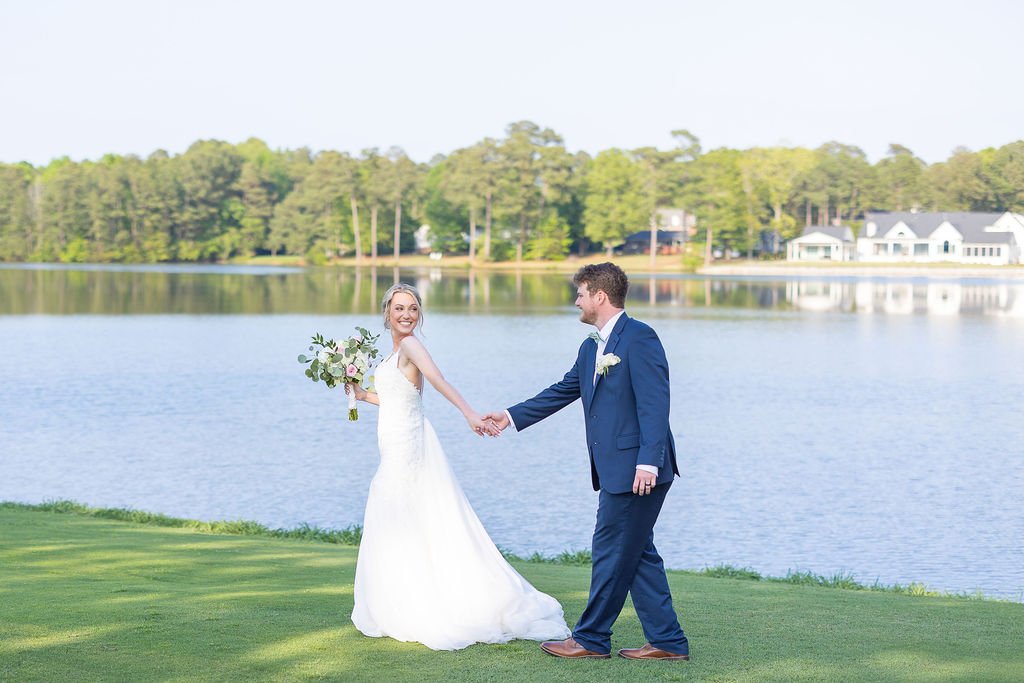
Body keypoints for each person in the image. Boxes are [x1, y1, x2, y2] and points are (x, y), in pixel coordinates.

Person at [345, 283, 570, 651]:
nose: (406, 315)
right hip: (396, 443)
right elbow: (394, 400)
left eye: (413, 309)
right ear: (386, 313)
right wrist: (359, 393)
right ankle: (402, 598)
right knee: (402, 516)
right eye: (399, 308)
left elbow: (437, 380)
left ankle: (423, 604)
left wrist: (469, 414)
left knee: (406, 513)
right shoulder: (393, 354)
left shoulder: (414, 346)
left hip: (410, 446)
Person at [484, 262, 690, 662]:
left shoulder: (640, 338)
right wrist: (509, 417)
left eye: (580, 293)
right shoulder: (590, 347)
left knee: (612, 549)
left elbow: (655, 404)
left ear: (600, 296)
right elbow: (563, 390)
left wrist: (648, 461)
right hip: (616, 469)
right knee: (637, 553)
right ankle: (667, 640)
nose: (575, 300)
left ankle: (592, 638)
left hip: (638, 472)